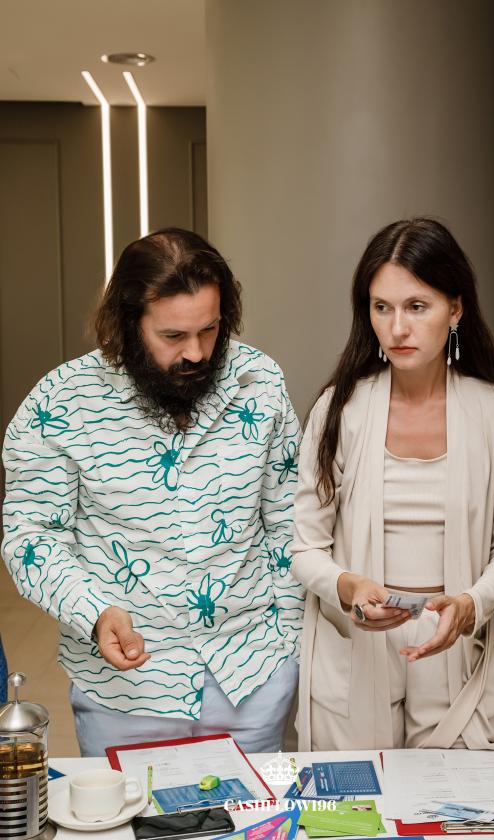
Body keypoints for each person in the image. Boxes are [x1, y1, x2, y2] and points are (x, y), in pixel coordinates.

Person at [2, 228, 304, 756]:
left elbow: (288, 521)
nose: (197, 352)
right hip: (126, 692)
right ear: (128, 323)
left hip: (252, 676)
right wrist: (94, 611)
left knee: (257, 809)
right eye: (172, 336)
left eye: (210, 329)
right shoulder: (60, 402)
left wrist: (288, 643)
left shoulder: (260, 382)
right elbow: (30, 538)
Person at [291, 217, 494, 751]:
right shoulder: (339, 410)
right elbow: (305, 549)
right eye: (382, 307)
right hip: (356, 648)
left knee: (454, 803)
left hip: (456, 651)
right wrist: (349, 588)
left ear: (456, 309)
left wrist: (471, 604)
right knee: (356, 803)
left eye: (417, 307)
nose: (397, 328)